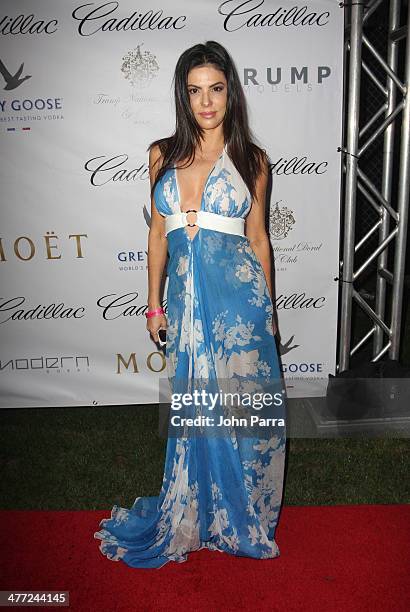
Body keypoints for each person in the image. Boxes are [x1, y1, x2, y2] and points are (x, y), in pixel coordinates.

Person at [94, 40, 286, 569]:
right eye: (195, 90)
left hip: (239, 308)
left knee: (246, 418)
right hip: (185, 305)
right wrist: (153, 304)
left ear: (231, 93)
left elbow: (260, 241)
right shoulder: (162, 154)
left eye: (216, 89)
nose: (206, 102)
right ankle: (195, 514)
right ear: (183, 96)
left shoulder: (252, 161)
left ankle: (245, 517)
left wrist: (268, 313)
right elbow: (158, 236)